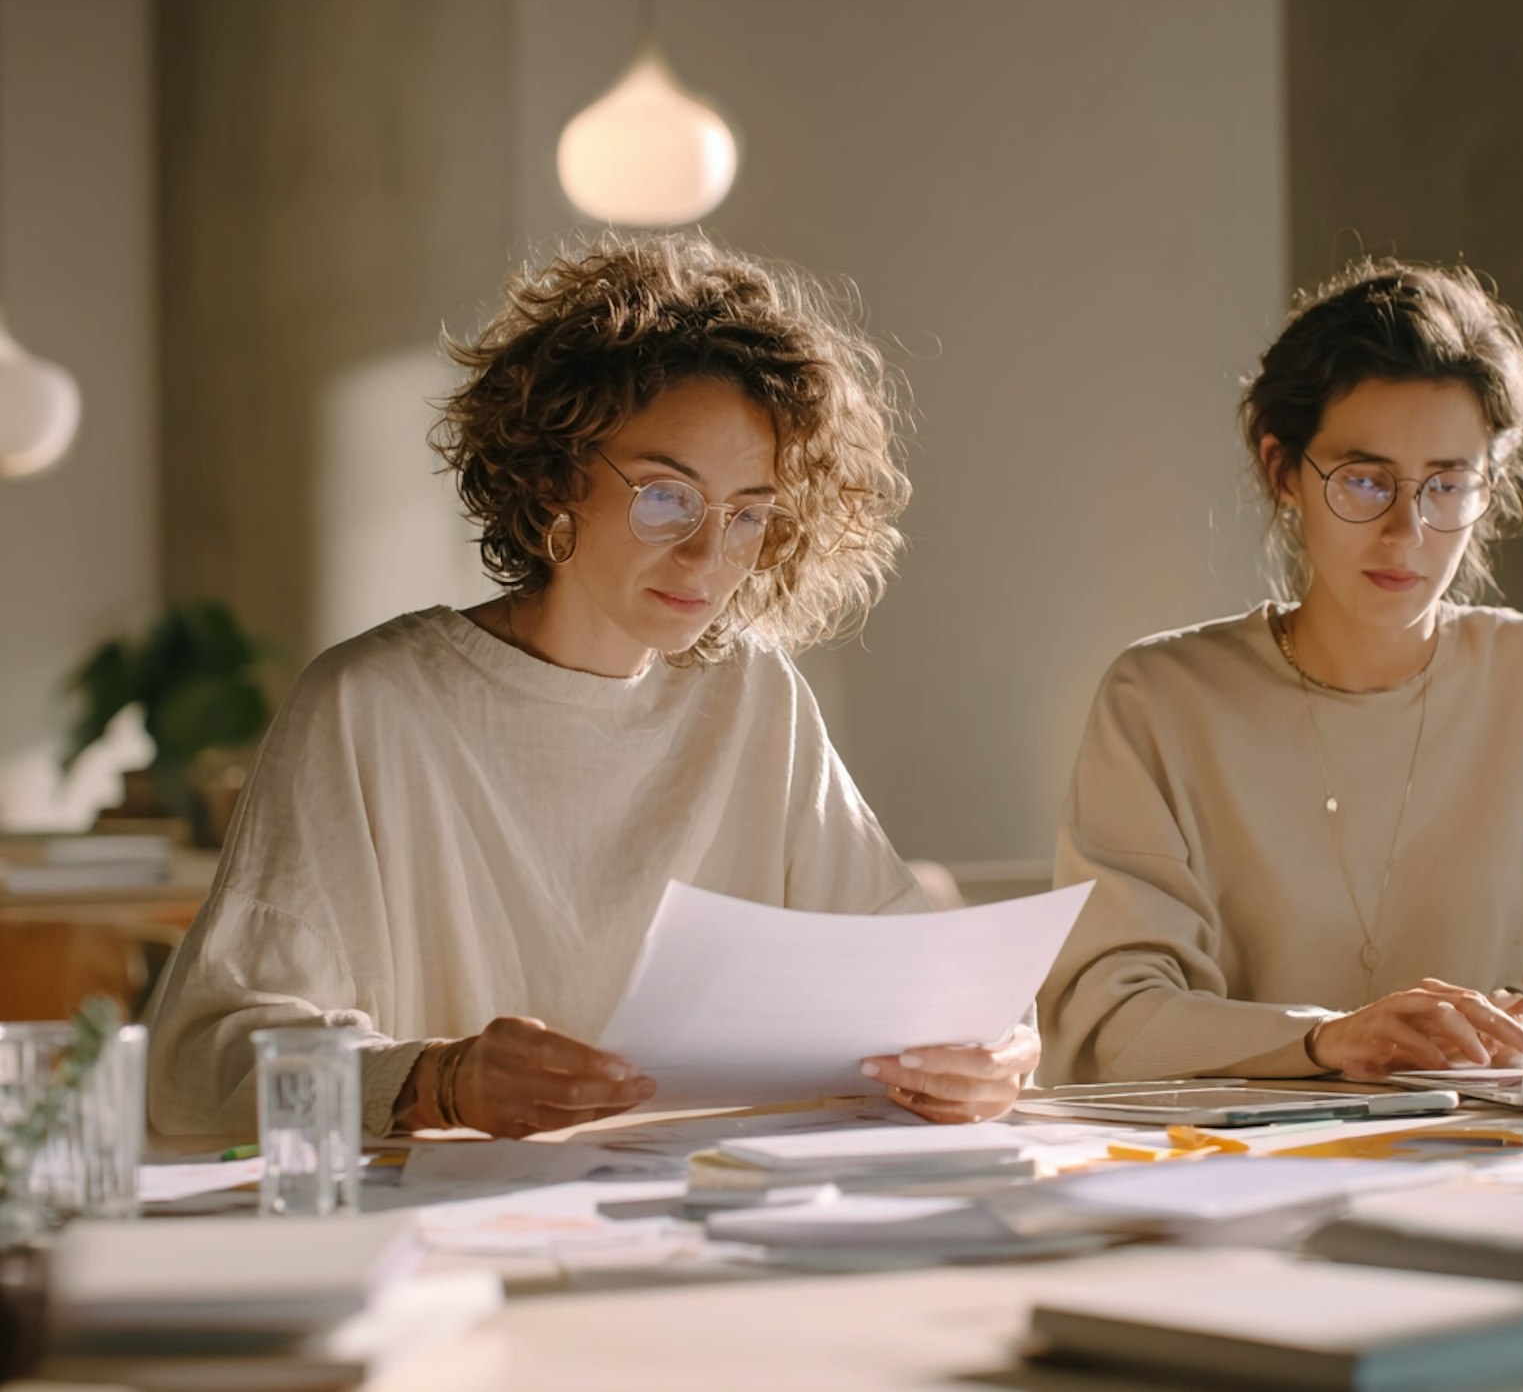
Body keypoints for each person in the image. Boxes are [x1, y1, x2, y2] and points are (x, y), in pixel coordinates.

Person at [146, 233, 1035, 1139]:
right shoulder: (371, 706)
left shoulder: (755, 698)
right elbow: (197, 1065)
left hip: (713, 1221)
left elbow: (919, 979)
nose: (708, 555)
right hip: (449, 1237)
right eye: (665, 496)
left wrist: (989, 1049)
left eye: (749, 515)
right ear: (551, 476)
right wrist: (437, 1080)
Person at [1039, 260, 1523, 1088]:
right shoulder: (1162, 701)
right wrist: (1325, 1041)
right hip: (1242, 1177)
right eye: (1365, 481)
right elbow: (1108, 1025)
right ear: (1283, 471)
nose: (1406, 531)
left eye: (1448, 485)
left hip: (1520, 1169)